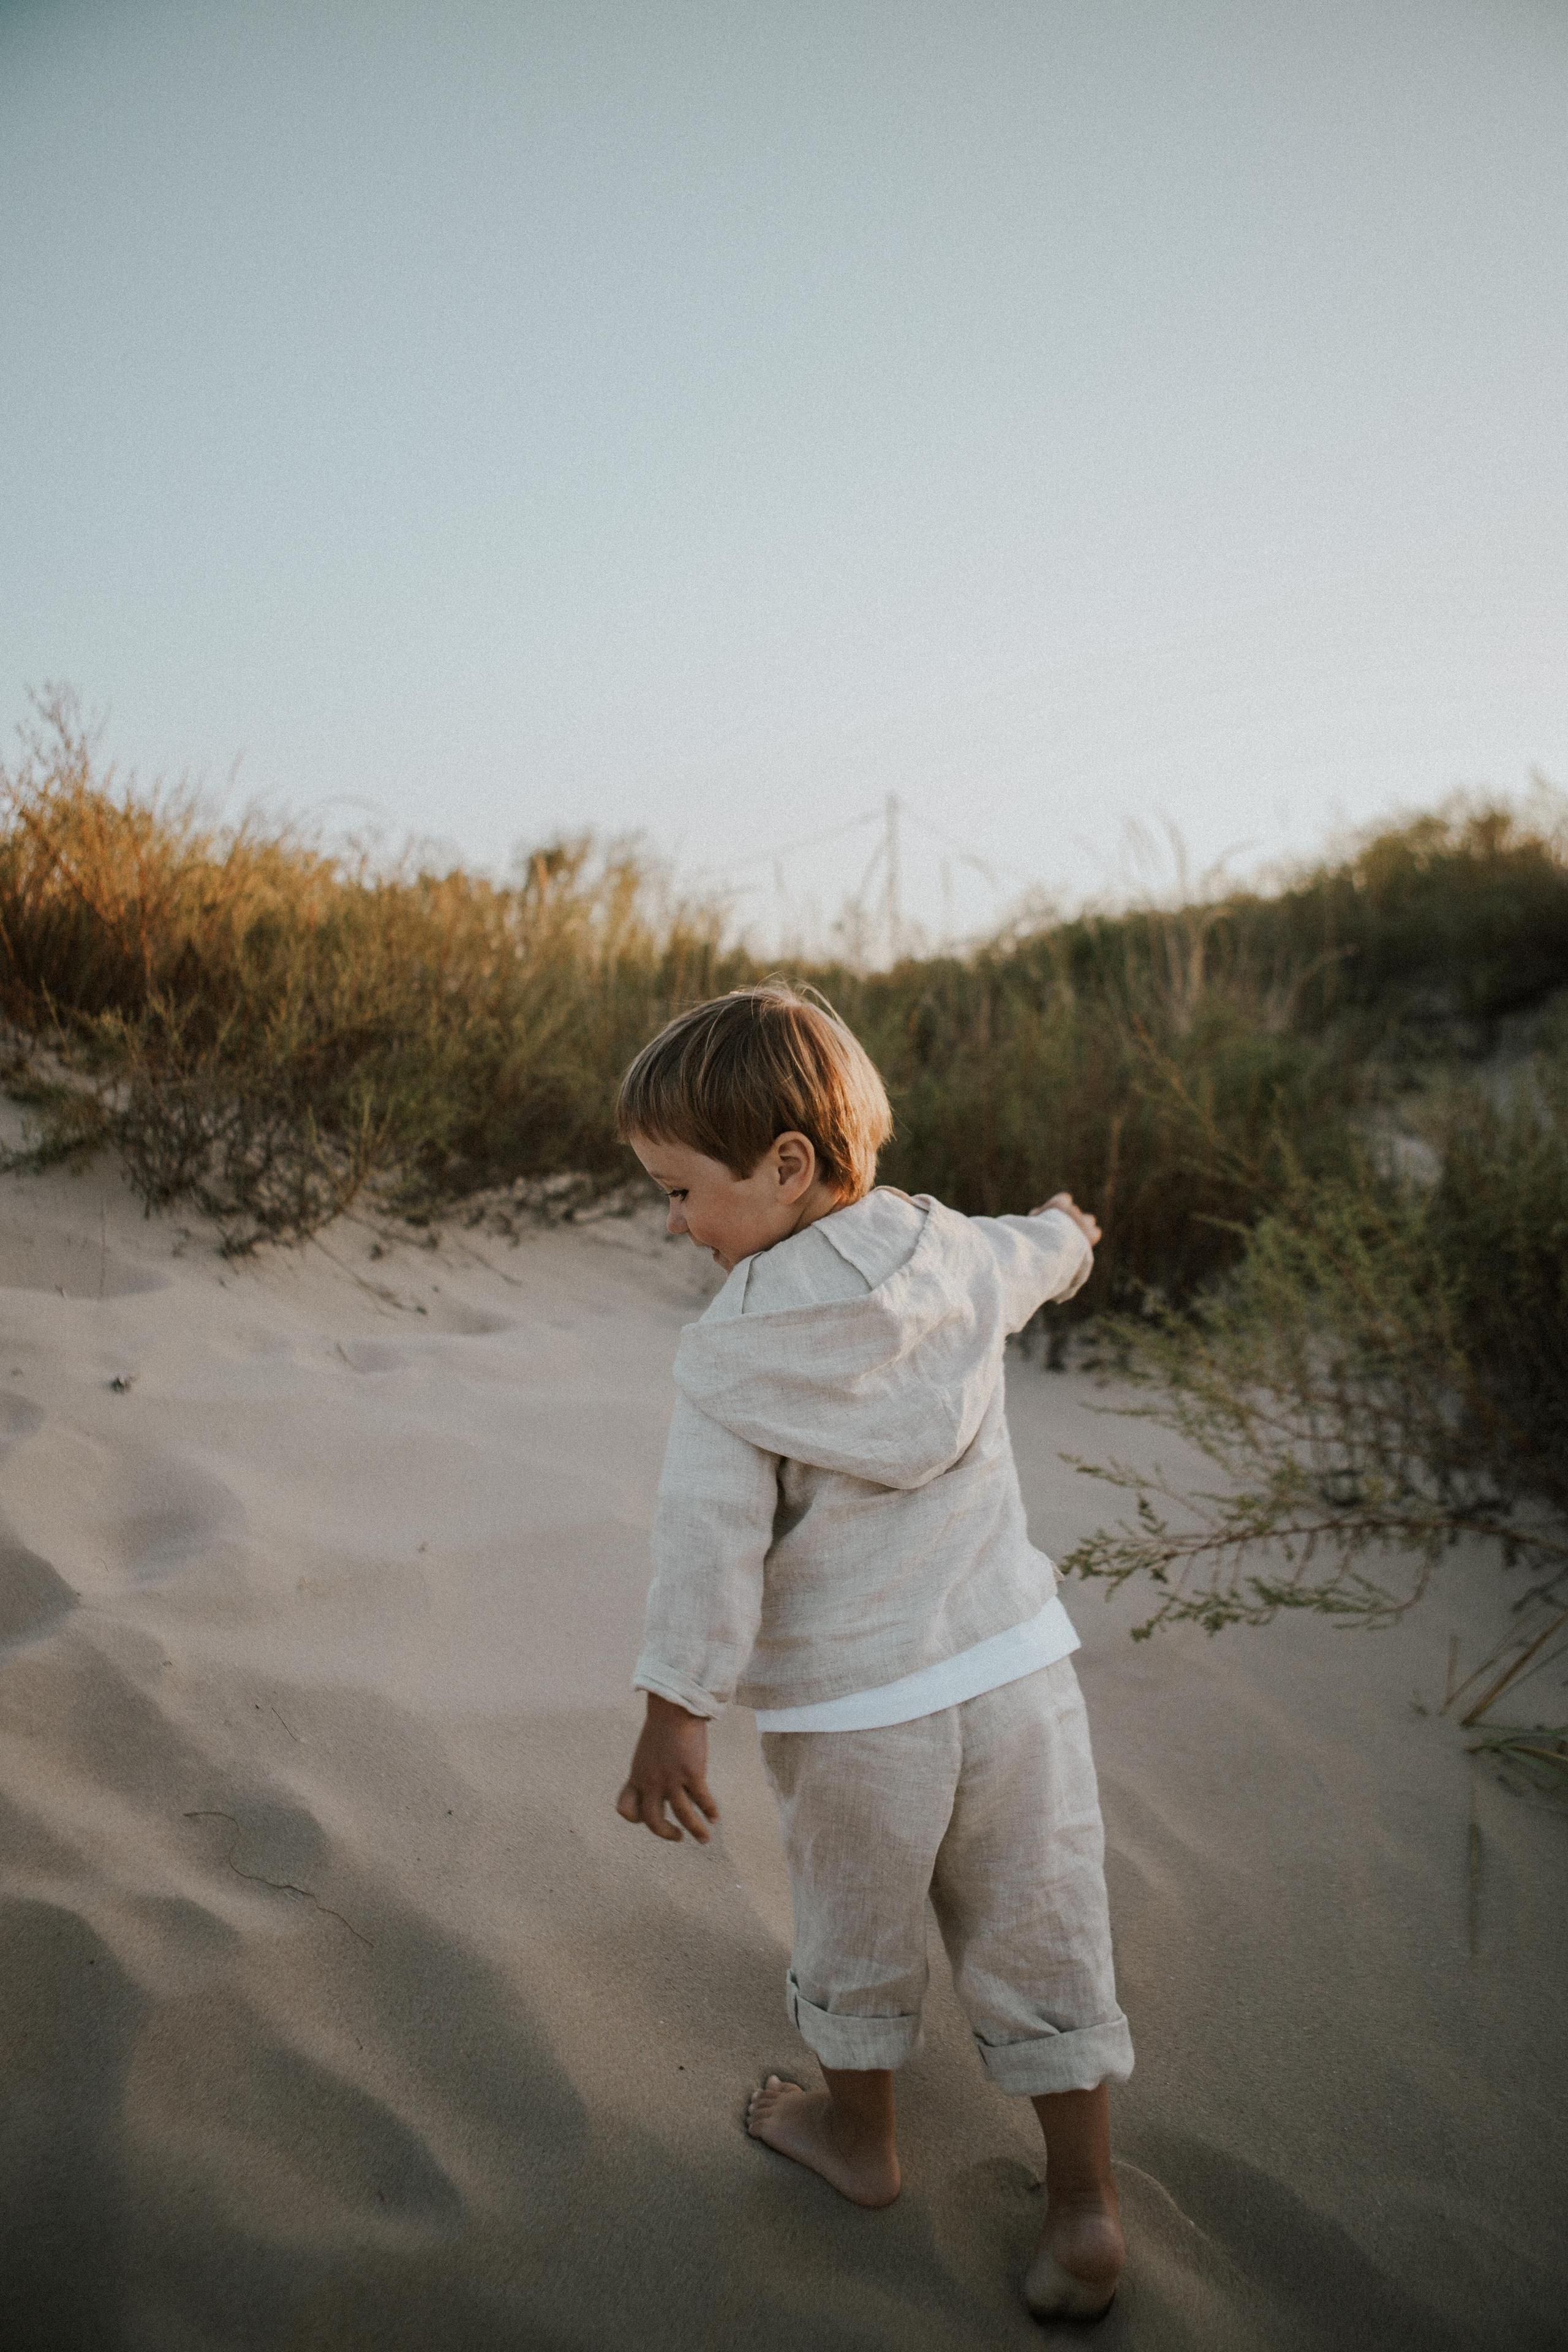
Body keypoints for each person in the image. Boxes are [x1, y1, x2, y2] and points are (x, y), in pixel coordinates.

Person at [614, 982, 1132, 2323]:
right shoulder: (956, 1250)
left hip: (857, 1714)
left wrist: (677, 1707)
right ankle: (1083, 2204)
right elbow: (1036, 1250)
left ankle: (860, 2139)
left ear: (785, 1167)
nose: (670, 1221)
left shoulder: (728, 1358)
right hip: (1016, 1674)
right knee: (1042, 1924)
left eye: (678, 1192)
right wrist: (1072, 1234)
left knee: (856, 1929)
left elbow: (705, 1548)